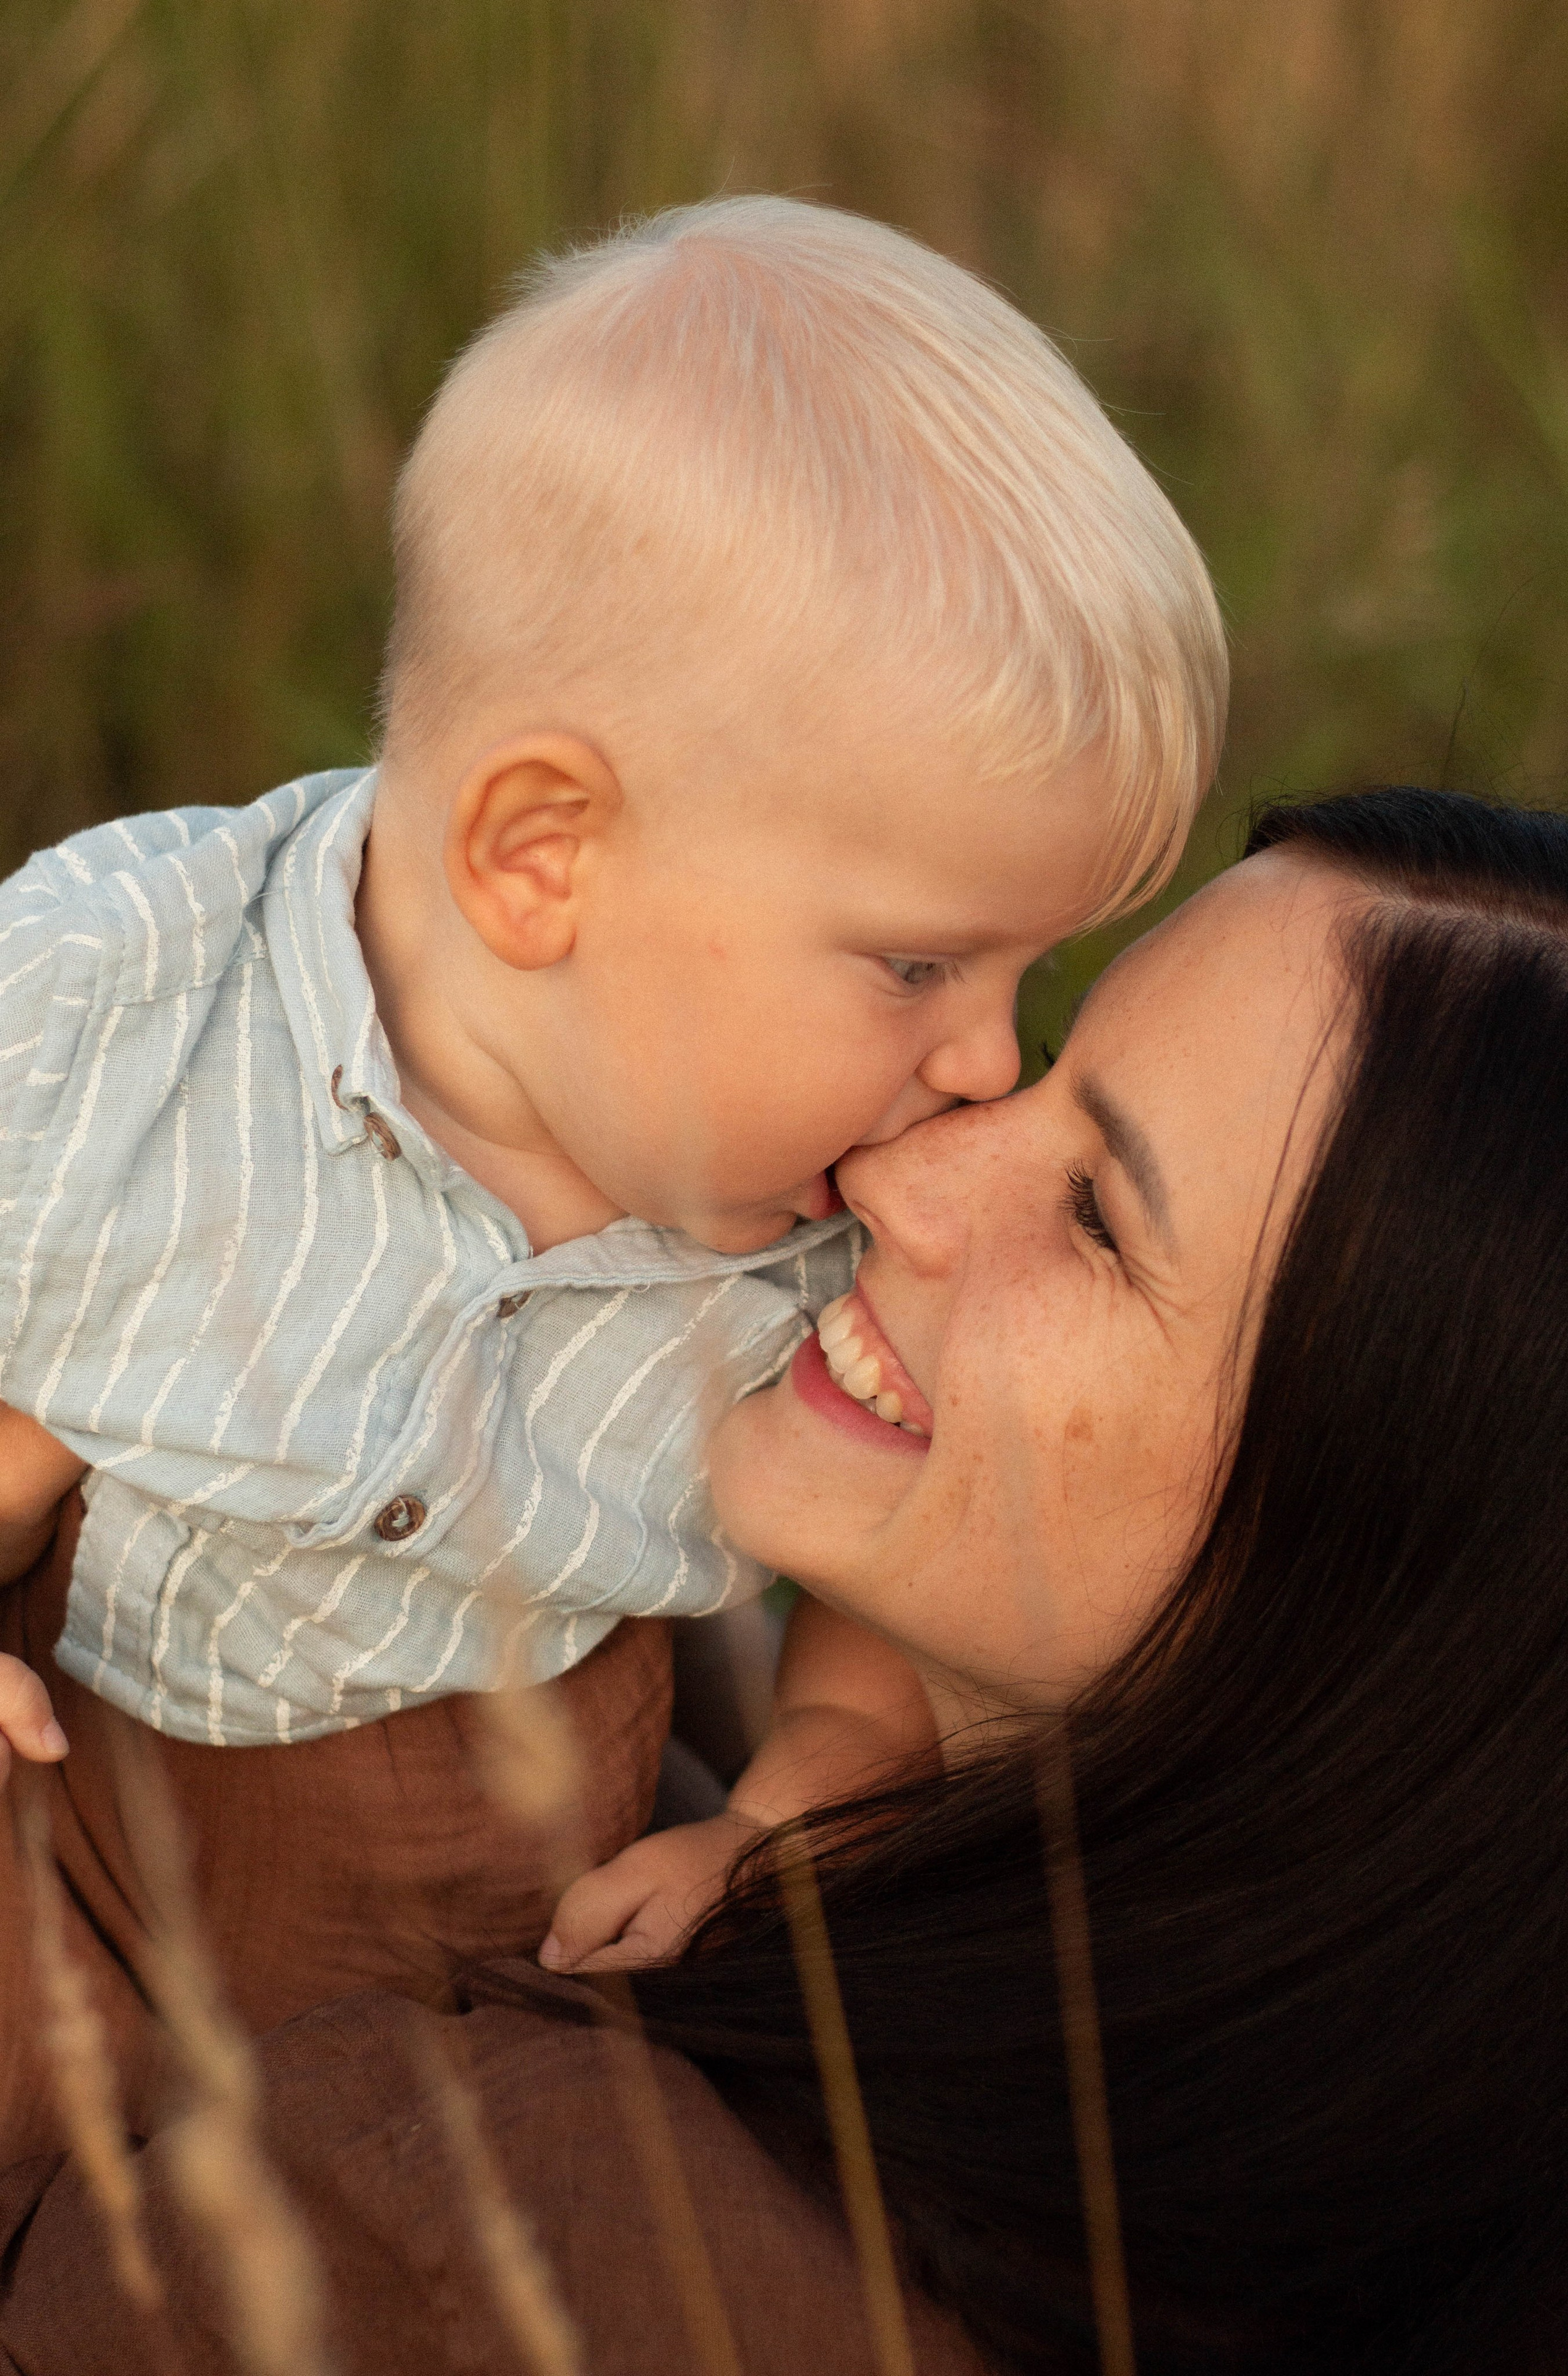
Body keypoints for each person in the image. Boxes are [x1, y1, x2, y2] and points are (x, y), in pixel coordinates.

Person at [7, 786, 1568, 2376]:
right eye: (1039, 1070)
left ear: (1387, 1583)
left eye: (1096, 1218)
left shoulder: (545, 2226)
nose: (902, 1172)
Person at [0, 195, 1226, 2158]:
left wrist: (779, 1804)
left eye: (1029, 974)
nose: (989, 1065)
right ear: (544, 855)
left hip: (508, 1933)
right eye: (921, 964)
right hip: (92, 1845)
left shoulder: (839, 1205)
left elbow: (876, 1584)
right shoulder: (116, 1000)